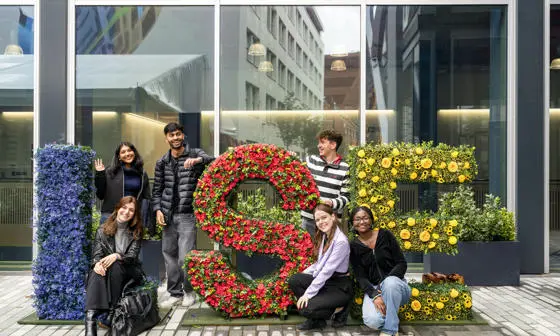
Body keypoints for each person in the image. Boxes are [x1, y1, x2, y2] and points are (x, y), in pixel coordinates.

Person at [152, 122, 214, 308]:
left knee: (185, 257)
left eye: (178, 134)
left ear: (183, 135)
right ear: (166, 138)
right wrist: (157, 210)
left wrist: (198, 161)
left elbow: (214, 160)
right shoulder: (162, 162)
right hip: (168, 215)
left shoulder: (195, 154)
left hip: (187, 215)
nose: (175, 138)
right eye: (171, 135)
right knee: (169, 255)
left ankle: (189, 291)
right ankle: (174, 293)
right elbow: (157, 190)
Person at [85, 196, 144, 336]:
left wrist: (117, 255)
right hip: (108, 270)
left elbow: (132, 257)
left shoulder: (137, 231)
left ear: (134, 215)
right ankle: (90, 322)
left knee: (116, 264)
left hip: (130, 270)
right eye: (124, 208)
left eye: (131, 210)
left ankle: (111, 312)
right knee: (95, 271)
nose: (126, 212)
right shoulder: (102, 230)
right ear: (118, 208)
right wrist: (97, 264)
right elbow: (97, 254)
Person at [288, 204, 353, 330]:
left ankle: (340, 308)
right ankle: (318, 321)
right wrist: (304, 274)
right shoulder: (325, 235)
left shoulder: (341, 241)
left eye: (324, 217)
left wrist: (308, 294)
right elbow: (320, 264)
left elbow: (326, 271)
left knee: (305, 309)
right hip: (328, 281)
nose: (321, 222)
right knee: (295, 280)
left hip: (339, 286)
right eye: (317, 220)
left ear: (333, 217)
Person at [349, 206, 411, 336]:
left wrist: (385, 285)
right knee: (372, 321)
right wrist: (375, 295)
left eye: (365, 218)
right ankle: (392, 318)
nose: (362, 222)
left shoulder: (385, 235)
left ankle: (390, 330)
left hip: (396, 285)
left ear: (371, 220)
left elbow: (401, 263)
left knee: (390, 283)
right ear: (352, 223)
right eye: (357, 219)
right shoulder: (353, 246)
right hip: (374, 288)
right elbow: (360, 276)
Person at [300, 130, 350, 236]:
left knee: (327, 252)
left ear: (333, 145)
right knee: (306, 251)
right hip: (308, 219)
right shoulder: (311, 160)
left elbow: (346, 197)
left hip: (329, 223)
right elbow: (294, 167)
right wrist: (290, 157)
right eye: (319, 143)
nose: (319, 146)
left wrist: (332, 203)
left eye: (322, 142)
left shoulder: (345, 168)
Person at [94, 142, 151, 225]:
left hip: (132, 216)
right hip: (111, 215)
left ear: (134, 153)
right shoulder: (110, 171)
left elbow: (146, 196)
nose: (127, 154)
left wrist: (144, 218)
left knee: (129, 238)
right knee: (107, 238)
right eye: (123, 152)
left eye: (129, 150)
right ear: (119, 157)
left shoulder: (141, 173)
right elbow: (100, 195)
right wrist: (100, 174)